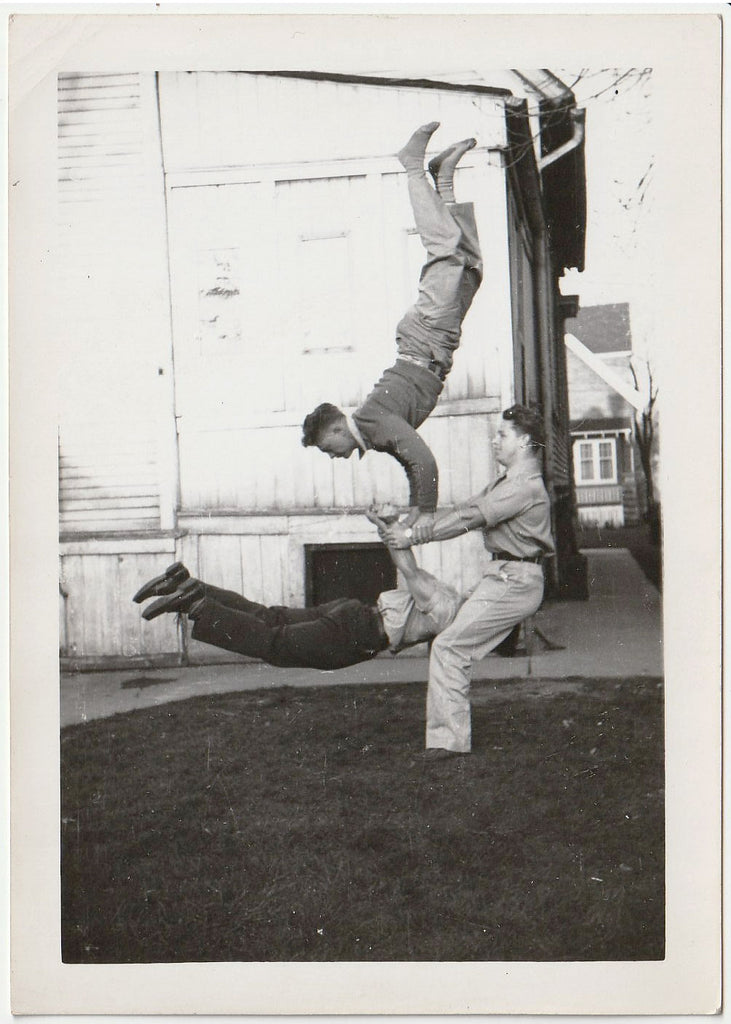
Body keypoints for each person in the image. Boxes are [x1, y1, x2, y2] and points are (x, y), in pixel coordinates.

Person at [301, 121, 483, 544]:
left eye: (330, 450)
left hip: (426, 338)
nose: (337, 458)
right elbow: (408, 461)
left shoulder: (372, 420)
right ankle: (444, 179)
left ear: (335, 430)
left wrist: (426, 515)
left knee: (445, 254)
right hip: (435, 344)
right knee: (470, 269)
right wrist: (414, 509)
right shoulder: (375, 433)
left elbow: (422, 460)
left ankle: (413, 168)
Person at [378, 405, 555, 762]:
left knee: (449, 647)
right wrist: (408, 523)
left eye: (502, 435)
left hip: (516, 580)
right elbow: (463, 508)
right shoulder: (505, 483)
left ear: (523, 442)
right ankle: (447, 737)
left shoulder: (524, 487)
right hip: (502, 576)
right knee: (448, 636)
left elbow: (470, 518)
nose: (495, 440)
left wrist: (410, 537)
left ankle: (448, 743)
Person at [132, 514, 462, 671]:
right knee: (276, 644)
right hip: (361, 632)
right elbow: (410, 570)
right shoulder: (448, 608)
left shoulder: (447, 595)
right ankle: (198, 605)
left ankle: (186, 584)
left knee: (268, 617)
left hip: (356, 612)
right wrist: (392, 532)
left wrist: (389, 529)